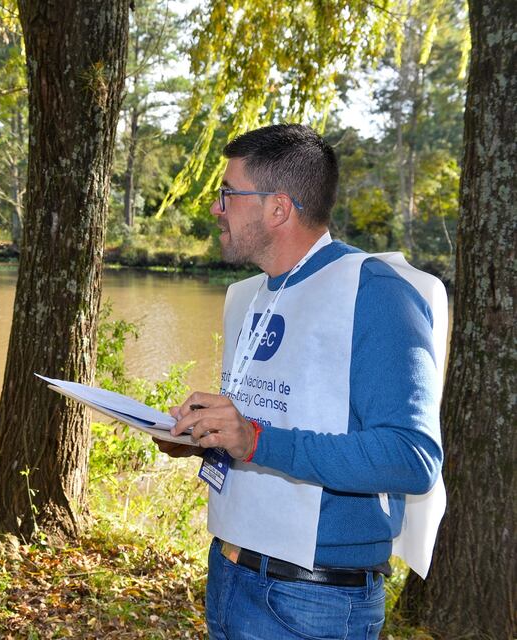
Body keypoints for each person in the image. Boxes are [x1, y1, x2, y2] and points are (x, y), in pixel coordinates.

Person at [155, 124, 447, 640]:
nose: (216, 209)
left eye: (227, 194)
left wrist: (257, 440)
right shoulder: (248, 295)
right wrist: (205, 438)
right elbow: (275, 423)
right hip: (228, 570)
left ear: (278, 208)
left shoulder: (377, 294)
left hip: (314, 601)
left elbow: (412, 457)